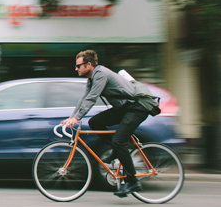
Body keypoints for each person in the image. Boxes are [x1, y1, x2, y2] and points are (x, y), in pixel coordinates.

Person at [60, 50, 159, 197]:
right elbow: (84, 98)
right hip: (125, 108)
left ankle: (133, 182)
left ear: (88, 64)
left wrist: (77, 118)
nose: (76, 69)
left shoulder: (100, 74)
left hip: (137, 107)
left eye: (78, 66)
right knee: (95, 122)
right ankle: (116, 150)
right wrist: (73, 117)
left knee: (119, 141)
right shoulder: (92, 78)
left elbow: (92, 98)